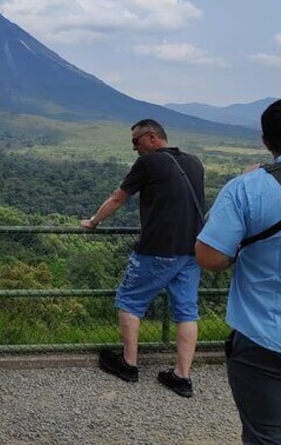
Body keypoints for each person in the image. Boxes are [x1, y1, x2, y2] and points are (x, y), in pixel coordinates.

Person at [80, 119, 204, 397]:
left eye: (135, 142)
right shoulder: (195, 162)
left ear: (151, 138)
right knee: (187, 312)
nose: (134, 148)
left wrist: (93, 221)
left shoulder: (148, 163)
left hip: (158, 248)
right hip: (192, 249)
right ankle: (181, 377)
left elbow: (117, 198)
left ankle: (128, 364)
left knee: (130, 301)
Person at [196, 99, 281, 444]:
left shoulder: (247, 188)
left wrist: (237, 253)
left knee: (265, 436)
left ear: (266, 140)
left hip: (263, 336)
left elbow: (209, 256)